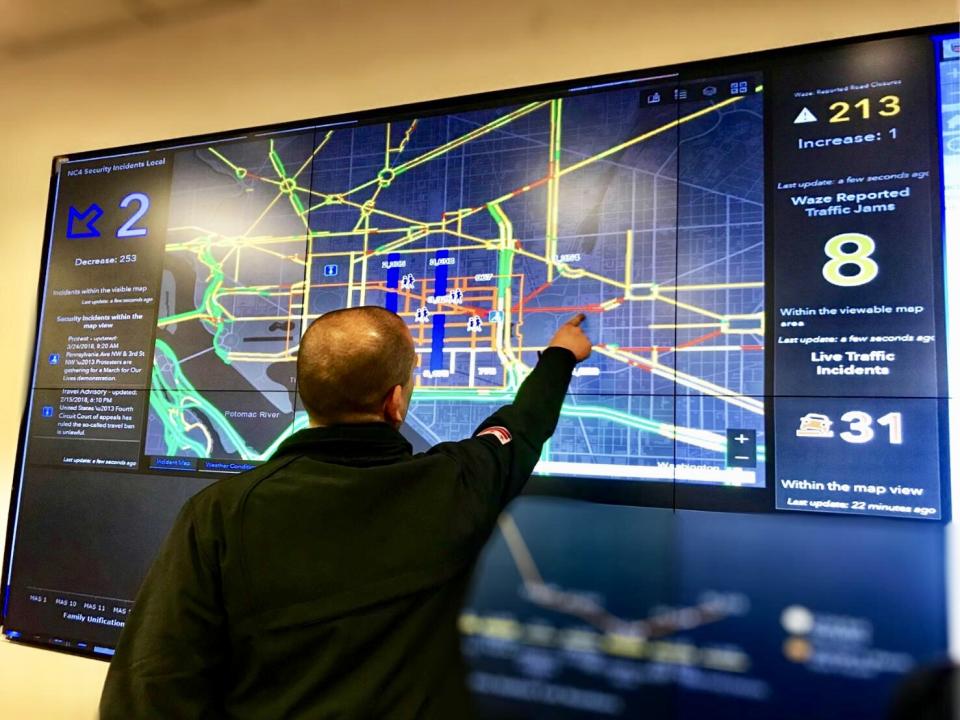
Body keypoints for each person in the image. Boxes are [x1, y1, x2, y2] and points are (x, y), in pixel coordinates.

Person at [99, 306, 592, 719]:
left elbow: (151, 685)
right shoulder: (453, 487)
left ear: (306, 393)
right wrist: (560, 355)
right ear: (395, 402)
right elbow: (518, 428)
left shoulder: (219, 516)